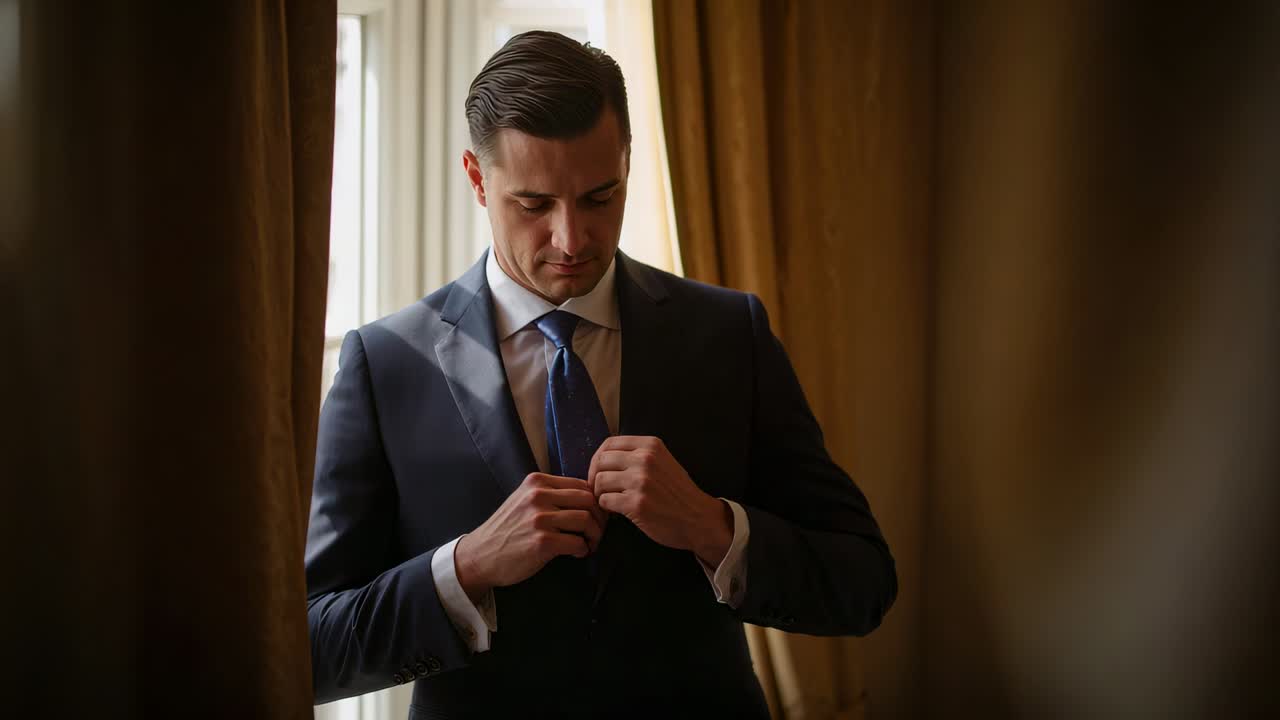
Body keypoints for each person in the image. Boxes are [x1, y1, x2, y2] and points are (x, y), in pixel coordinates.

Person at [306, 30, 896, 719]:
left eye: (599, 197)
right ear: (476, 177)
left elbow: (863, 582)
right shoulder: (386, 366)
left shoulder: (730, 336)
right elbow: (312, 647)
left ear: (626, 162)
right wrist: (465, 568)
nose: (571, 240)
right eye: (533, 205)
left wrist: (713, 527)